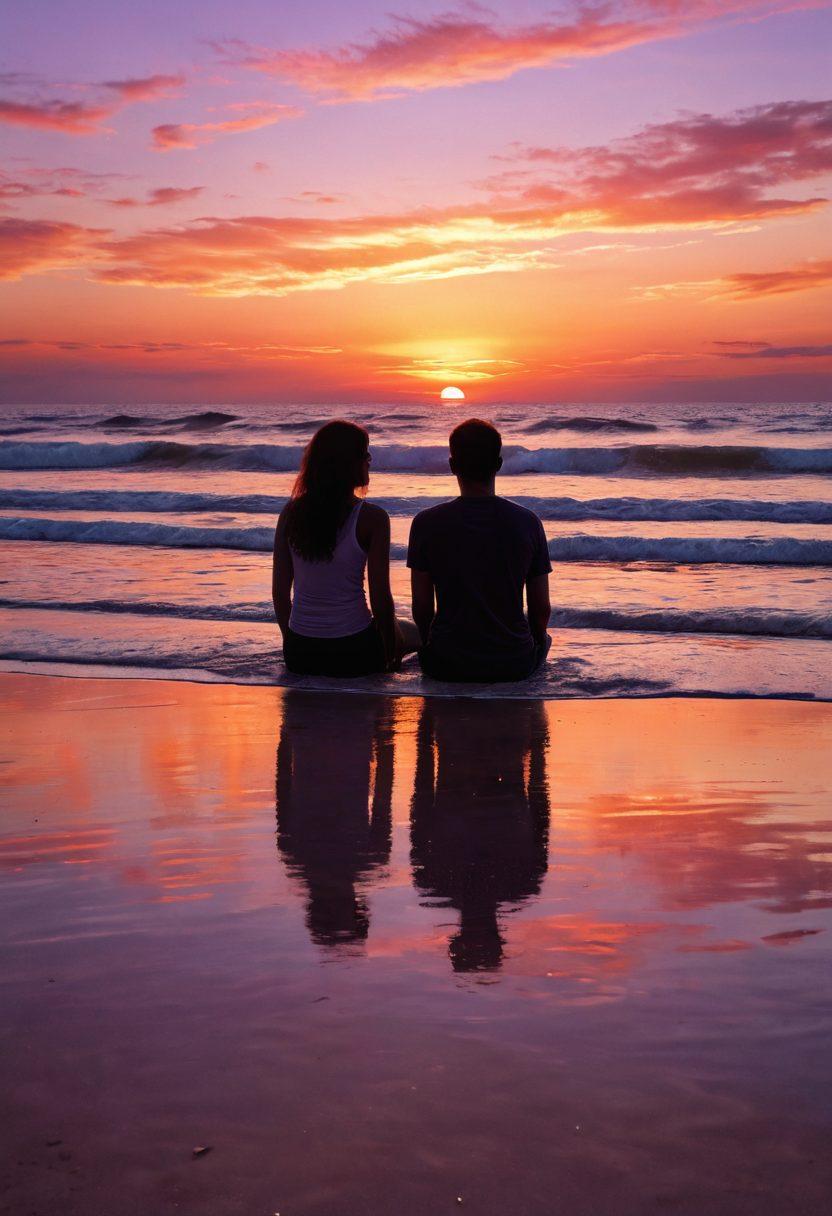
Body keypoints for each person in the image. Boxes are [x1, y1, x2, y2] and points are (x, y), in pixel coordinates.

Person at [407, 418, 551, 682]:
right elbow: (540, 608)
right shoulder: (528, 522)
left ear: (452, 466)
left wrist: (429, 643)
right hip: (512, 662)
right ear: (498, 464)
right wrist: (534, 640)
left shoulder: (426, 523)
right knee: (545, 641)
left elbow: (422, 607)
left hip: (446, 662)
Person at [273, 420, 419, 676]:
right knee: (414, 633)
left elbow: (280, 593)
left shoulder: (291, 513)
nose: (369, 460)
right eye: (365, 454)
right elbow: (381, 600)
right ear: (350, 464)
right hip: (354, 651)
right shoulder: (372, 518)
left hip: (300, 652)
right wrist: (389, 650)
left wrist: (293, 642)